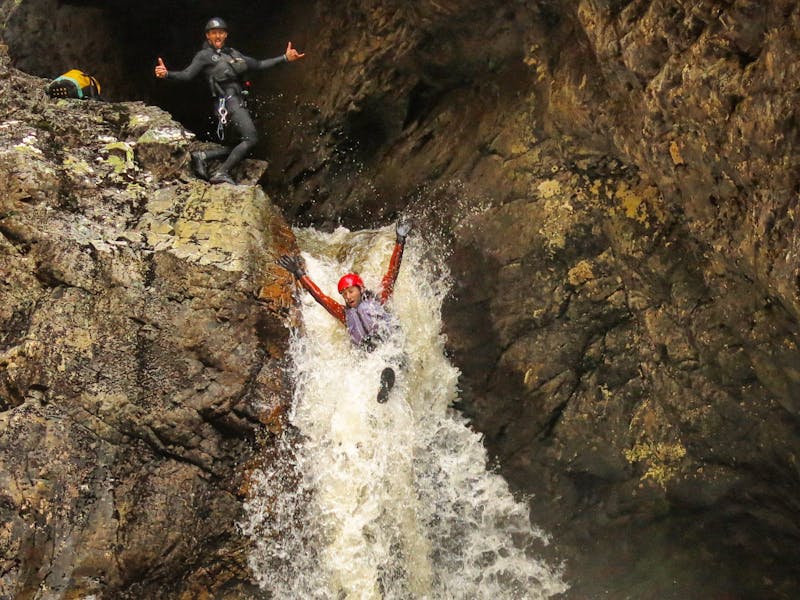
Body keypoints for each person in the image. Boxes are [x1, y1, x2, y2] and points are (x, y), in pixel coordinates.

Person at [154, 17, 305, 185]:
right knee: (251, 139)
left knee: (242, 145)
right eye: (213, 33)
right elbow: (186, 75)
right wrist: (167, 74)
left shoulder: (234, 54)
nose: (217, 36)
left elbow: (259, 64)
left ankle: (202, 156)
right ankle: (221, 172)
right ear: (208, 37)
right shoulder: (204, 56)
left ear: (225, 35)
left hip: (238, 101)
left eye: (220, 32)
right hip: (227, 102)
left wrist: (284, 58)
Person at [277, 217, 413, 403]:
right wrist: (299, 273)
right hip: (369, 354)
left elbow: (392, 272)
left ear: (360, 289)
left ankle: (388, 380)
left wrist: (400, 240)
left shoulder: (379, 300)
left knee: (392, 365)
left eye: (351, 291)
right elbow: (321, 297)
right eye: (344, 294)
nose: (348, 297)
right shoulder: (344, 314)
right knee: (370, 368)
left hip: (390, 345)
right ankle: (381, 389)